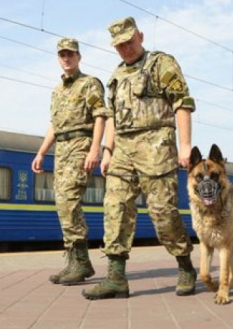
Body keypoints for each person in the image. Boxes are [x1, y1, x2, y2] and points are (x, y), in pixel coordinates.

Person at [82, 17, 197, 300]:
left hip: (156, 146)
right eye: (119, 46)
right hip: (123, 150)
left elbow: (182, 103)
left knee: (162, 213)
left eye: (129, 42)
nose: (125, 49)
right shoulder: (116, 76)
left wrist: (185, 146)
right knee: (115, 208)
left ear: (141, 36)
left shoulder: (161, 64)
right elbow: (112, 119)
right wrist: (107, 152)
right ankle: (116, 278)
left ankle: (185, 266)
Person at [32, 38, 107, 285]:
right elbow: (54, 124)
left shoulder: (90, 84)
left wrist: (95, 149)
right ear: (58, 58)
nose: (66, 58)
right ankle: (75, 260)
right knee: (62, 203)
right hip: (62, 149)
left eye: (70, 54)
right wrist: (42, 152)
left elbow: (100, 117)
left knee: (69, 200)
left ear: (79, 57)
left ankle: (82, 262)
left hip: (80, 145)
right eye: (62, 54)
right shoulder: (57, 90)